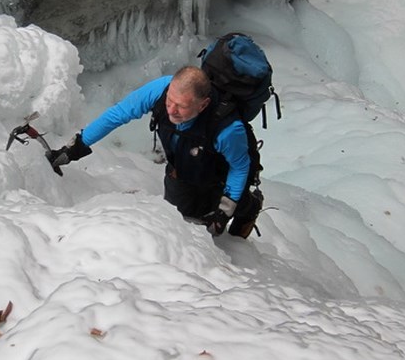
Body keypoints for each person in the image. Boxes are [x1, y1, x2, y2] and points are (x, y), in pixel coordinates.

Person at [47, 66, 263, 238]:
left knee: (224, 214)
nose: (171, 110)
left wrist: (225, 210)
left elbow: (239, 166)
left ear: (203, 104)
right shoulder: (160, 89)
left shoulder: (227, 129)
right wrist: (77, 146)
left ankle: (250, 207)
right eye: (170, 101)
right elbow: (117, 115)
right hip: (181, 169)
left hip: (218, 178)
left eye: (181, 106)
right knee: (181, 222)